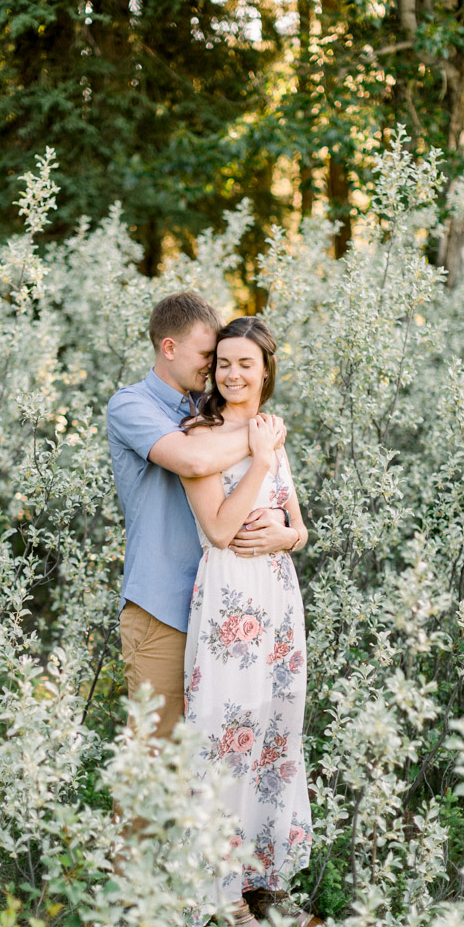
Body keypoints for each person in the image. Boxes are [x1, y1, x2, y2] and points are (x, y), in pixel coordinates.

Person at [180, 317, 318, 927]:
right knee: (226, 738)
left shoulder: (271, 429)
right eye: (224, 364)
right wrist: (258, 464)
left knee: (273, 739)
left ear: (266, 370)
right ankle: (223, 895)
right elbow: (218, 528)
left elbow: (299, 525)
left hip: (279, 599)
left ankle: (267, 886)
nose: (233, 374)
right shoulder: (199, 436)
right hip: (232, 598)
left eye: (245, 364)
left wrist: (290, 535)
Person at [106, 292, 296, 744]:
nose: (215, 369)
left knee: (217, 761)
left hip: (231, 607)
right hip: (164, 607)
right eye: (208, 356)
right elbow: (192, 461)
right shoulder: (132, 405)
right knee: (157, 756)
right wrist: (260, 440)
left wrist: (288, 536)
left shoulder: (212, 413)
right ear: (169, 348)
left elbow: (290, 518)